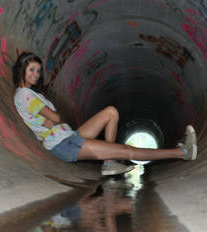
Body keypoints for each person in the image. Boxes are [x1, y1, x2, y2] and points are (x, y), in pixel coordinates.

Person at [12, 51, 197, 175]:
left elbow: (47, 120)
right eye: (31, 70)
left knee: (111, 112)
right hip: (64, 144)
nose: (36, 74)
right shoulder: (25, 95)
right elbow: (55, 117)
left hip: (67, 135)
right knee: (127, 151)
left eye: (37, 70)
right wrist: (51, 120)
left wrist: (48, 123)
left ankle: (108, 162)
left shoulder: (29, 94)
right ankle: (183, 152)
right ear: (21, 70)